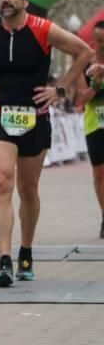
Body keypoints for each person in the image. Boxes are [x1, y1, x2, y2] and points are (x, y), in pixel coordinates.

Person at [0, 0, 92, 287]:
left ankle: (26, 251)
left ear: (25, 0)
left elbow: (84, 52)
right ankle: (4, 260)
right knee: (2, 180)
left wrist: (59, 90)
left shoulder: (43, 29)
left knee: (28, 190)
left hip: (35, 115)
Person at [74, 21, 104, 238]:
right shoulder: (84, 64)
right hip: (95, 125)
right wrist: (96, 82)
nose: (101, 45)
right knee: (100, 174)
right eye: (98, 41)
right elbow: (81, 100)